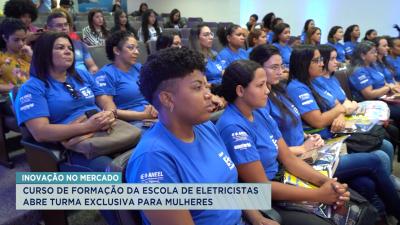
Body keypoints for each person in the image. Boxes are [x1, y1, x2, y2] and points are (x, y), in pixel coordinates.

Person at [126, 47, 277, 225]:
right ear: (167, 99)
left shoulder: (205, 127)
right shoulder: (152, 160)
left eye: (207, 85)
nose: (209, 96)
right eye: (198, 87)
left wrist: (257, 218)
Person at [249, 44, 400, 220]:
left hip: (311, 147)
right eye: (274, 67)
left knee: (365, 182)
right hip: (298, 159)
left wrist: (308, 136)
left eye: (282, 66)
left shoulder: (278, 91)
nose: (281, 71)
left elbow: (291, 128)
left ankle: (383, 213)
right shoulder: (259, 105)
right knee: (376, 158)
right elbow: (257, 182)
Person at [216, 59, 350, 225]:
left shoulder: (259, 112)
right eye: (260, 85)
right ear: (240, 90)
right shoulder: (233, 128)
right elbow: (261, 187)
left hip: (283, 179)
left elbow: (289, 159)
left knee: (350, 199)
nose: (267, 90)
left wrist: (325, 182)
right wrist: (318, 195)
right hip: (265, 199)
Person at [14, 32, 117, 224]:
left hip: (106, 132)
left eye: (69, 48)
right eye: (60, 48)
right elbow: (40, 132)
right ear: (45, 53)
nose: (68, 52)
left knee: (141, 159)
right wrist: (87, 126)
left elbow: (106, 101)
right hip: (71, 149)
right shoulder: (32, 88)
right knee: (111, 175)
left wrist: (110, 113)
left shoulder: (82, 75)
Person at [94, 31, 157, 128]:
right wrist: (142, 115)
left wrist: (156, 106)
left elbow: (156, 91)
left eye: (137, 48)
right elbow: (109, 111)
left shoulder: (138, 67)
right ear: (116, 50)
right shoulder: (105, 74)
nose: (137, 52)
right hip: (131, 122)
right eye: (131, 48)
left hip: (153, 115)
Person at [0, 18, 31, 93]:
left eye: (23, 40)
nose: (21, 43)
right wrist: (14, 89)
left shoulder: (28, 54)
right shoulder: (1, 57)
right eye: (16, 40)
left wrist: (32, 56)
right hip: (10, 101)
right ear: (5, 38)